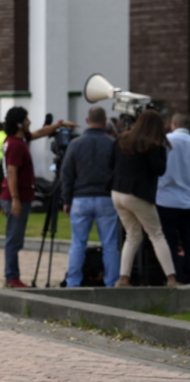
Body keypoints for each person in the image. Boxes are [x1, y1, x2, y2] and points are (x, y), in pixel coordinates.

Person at [0, 107, 75, 288]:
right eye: (26, 119)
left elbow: (39, 133)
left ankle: (12, 276)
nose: (29, 122)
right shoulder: (17, 145)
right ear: (19, 123)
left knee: (15, 237)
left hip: (16, 196)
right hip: (15, 198)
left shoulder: (17, 140)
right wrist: (16, 199)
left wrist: (58, 125)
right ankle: (12, 277)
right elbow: (12, 172)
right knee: (14, 239)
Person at [109, 109, 179, 287]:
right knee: (156, 234)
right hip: (137, 194)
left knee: (132, 235)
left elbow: (110, 164)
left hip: (117, 192)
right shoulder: (152, 144)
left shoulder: (122, 139)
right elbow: (159, 169)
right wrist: (161, 149)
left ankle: (123, 278)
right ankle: (171, 278)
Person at [61, 107, 119, 287]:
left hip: (80, 198)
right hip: (106, 198)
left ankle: (73, 282)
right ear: (105, 121)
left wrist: (66, 200)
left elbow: (67, 174)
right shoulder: (112, 144)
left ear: (87, 121)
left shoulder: (76, 144)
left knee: (77, 243)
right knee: (110, 244)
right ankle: (112, 282)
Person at [156, 113, 190, 284]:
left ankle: (174, 275)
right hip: (188, 200)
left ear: (174, 124)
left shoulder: (166, 140)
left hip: (166, 199)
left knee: (169, 241)